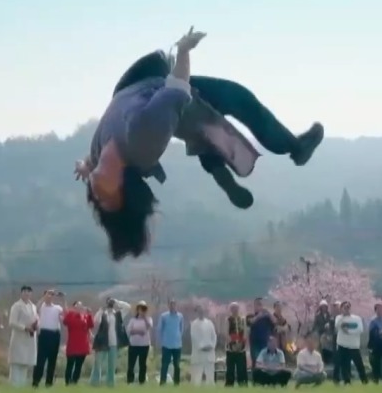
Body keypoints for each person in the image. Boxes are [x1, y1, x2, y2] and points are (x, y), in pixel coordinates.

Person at [76, 28, 325, 261]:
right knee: (237, 99)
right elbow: (178, 88)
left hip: (137, 87)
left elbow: (93, 168)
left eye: (96, 200)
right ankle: (294, 148)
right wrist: (184, 50)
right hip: (160, 89)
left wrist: (84, 166)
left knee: (203, 130)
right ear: (125, 187)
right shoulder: (142, 139)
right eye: (106, 198)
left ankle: (217, 169)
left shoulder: (100, 157)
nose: (95, 195)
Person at [91, 299, 128, 386]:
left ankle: (110, 382)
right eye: (109, 303)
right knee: (98, 362)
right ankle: (95, 381)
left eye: (111, 303)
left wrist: (117, 302)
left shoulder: (118, 315)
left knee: (112, 364)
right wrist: (101, 310)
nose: (110, 305)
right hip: (103, 342)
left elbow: (128, 307)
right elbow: (96, 320)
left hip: (114, 342)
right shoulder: (103, 314)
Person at [8, 286, 38, 387]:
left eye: (29, 292)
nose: (26, 293)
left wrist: (36, 325)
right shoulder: (16, 306)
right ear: (21, 293)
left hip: (29, 338)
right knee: (17, 363)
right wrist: (24, 328)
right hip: (19, 337)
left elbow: (36, 318)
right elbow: (12, 322)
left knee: (25, 363)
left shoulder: (33, 306)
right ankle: (14, 386)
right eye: (24, 291)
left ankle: (21, 386)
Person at [33, 289, 64, 388]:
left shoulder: (58, 308)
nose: (51, 296)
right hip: (44, 334)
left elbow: (65, 316)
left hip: (55, 334)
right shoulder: (42, 306)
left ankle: (49, 382)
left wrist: (63, 300)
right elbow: (35, 308)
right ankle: (36, 381)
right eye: (49, 294)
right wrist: (45, 296)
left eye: (52, 294)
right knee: (40, 360)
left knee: (52, 360)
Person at [334, 301, 368, 385]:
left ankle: (364, 380)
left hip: (354, 345)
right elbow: (337, 326)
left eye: (348, 307)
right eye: (344, 307)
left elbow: (360, 329)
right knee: (344, 364)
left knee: (359, 364)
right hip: (342, 344)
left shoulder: (357, 318)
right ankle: (347, 381)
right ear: (341, 309)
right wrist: (343, 316)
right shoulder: (338, 318)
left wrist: (349, 332)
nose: (347, 309)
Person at [63, 301, 93, 385]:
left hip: (83, 344)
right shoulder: (70, 315)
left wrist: (89, 314)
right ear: (74, 307)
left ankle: (74, 381)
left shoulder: (85, 316)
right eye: (77, 305)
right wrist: (72, 313)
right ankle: (68, 381)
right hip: (72, 344)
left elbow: (91, 325)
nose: (80, 307)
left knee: (79, 365)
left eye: (81, 305)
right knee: (70, 364)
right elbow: (65, 322)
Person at [156, 300, 185, 385]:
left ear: (176, 306)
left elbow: (181, 328)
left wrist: (178, 336)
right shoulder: (164, 316)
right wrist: (159, 341)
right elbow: (159, 329)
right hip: (166, 344)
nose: (172, 307)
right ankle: (162, 382)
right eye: (171, 305)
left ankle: (176, 383)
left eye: (174, 305)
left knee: (177, 365)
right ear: (168, 306)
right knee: (165, 364)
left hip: (177, 345)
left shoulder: (180, 316)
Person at [189, 305, 218, 385]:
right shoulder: (194, 324)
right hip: (199, 353)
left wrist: (212, 346)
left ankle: (210, 387)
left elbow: (214, 336)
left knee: (210, 375)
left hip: (209, 352)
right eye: (199, 311)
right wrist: (201, 347)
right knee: (197, 375)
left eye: (202, 311)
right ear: (197, 313)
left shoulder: (209, 323)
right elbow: (194, 337)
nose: (201, 313)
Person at [126, 302, 153, 384]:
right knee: (131, 364)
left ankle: (142, 380)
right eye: (141, 308)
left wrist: (144, 318)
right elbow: (129, 330)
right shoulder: (133, 320)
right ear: (137, 310)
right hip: (133, 345)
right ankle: (130, 380)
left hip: (144, 345)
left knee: (142, 364)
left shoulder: (148, 319)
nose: (142, 311)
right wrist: (138, 331)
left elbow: (149, 326)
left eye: (144, 309)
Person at [223, 303, 249, 387]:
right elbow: (226, 333)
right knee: (230, 367)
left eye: (236, 308)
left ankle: (242, 383)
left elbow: (245, 332)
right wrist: (232, 344)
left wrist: (242, 343)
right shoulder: (228, 320)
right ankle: (229, 384)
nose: (235, 310)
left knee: (241, 367)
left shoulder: (242, 319)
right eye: (233, 308)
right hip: (231, 348)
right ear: (231, 310)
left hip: (241, 347)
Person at [367, 304, 382, 384]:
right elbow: (371, 332)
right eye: (379, 309)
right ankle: (376, 378)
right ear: (376, 310)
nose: (381, 311)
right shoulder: (373, 321)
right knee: (376, 362)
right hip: (376, 343)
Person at [312, 301, 337, 378]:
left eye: (325, 306)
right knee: (321, 347)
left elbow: (333, 324)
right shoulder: (317, 316)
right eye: (322, 307)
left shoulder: (330, 316)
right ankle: (322, 361)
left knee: (331, 347)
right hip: (321, 334)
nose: (324, 308)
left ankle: (331, 360)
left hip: (330, 334)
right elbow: (315, 326)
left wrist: (330, 329)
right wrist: (321, 329)